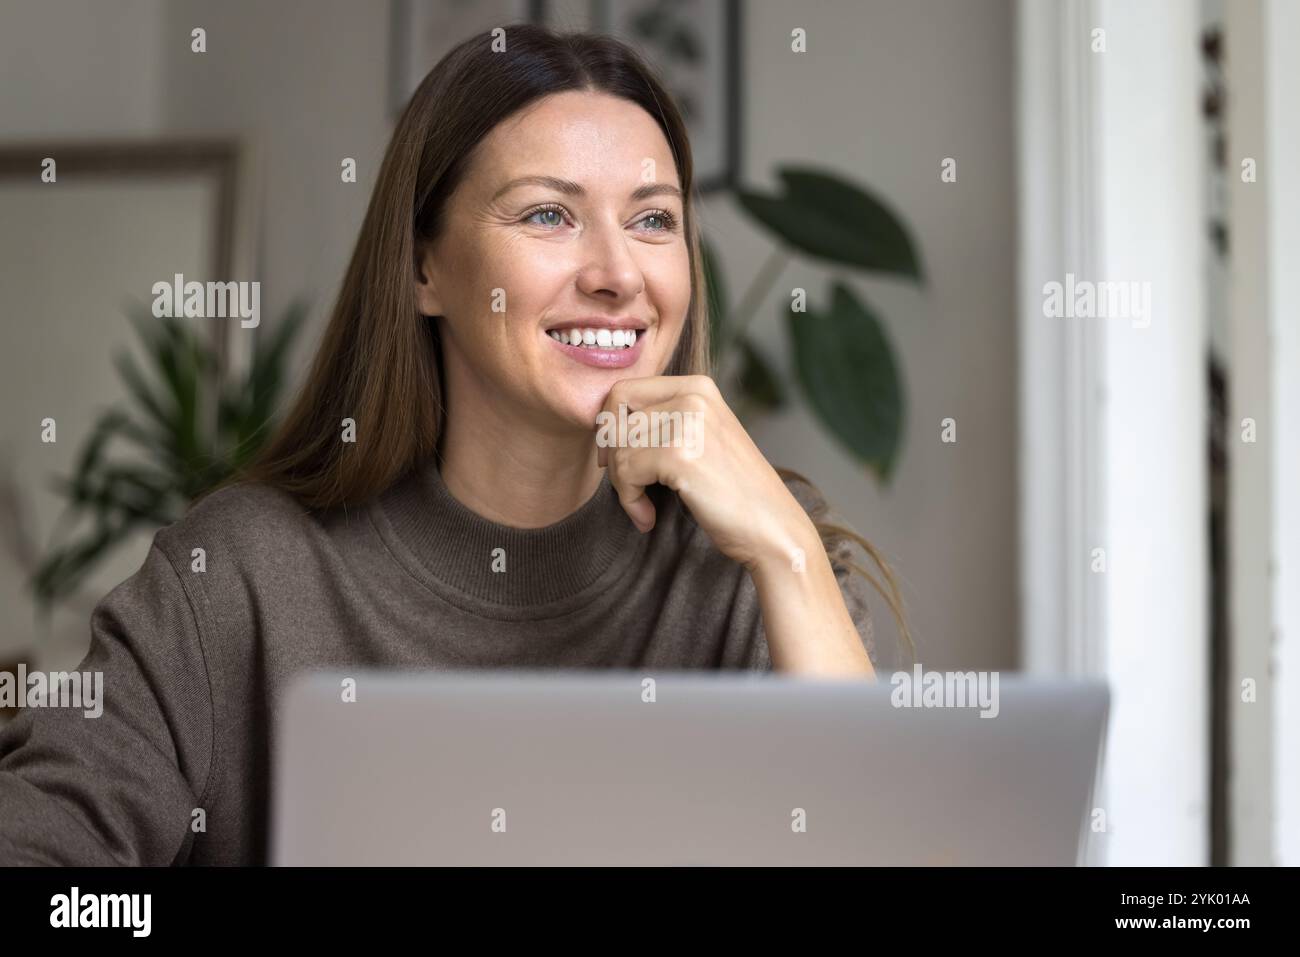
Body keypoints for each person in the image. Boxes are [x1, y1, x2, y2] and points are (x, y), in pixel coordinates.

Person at [0, 24, 907, 866]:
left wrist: (789, 555)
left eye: (653, 219)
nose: (617, 272)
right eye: (549, 215)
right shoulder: (241, 577)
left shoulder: (745, 566)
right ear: (422, 267)